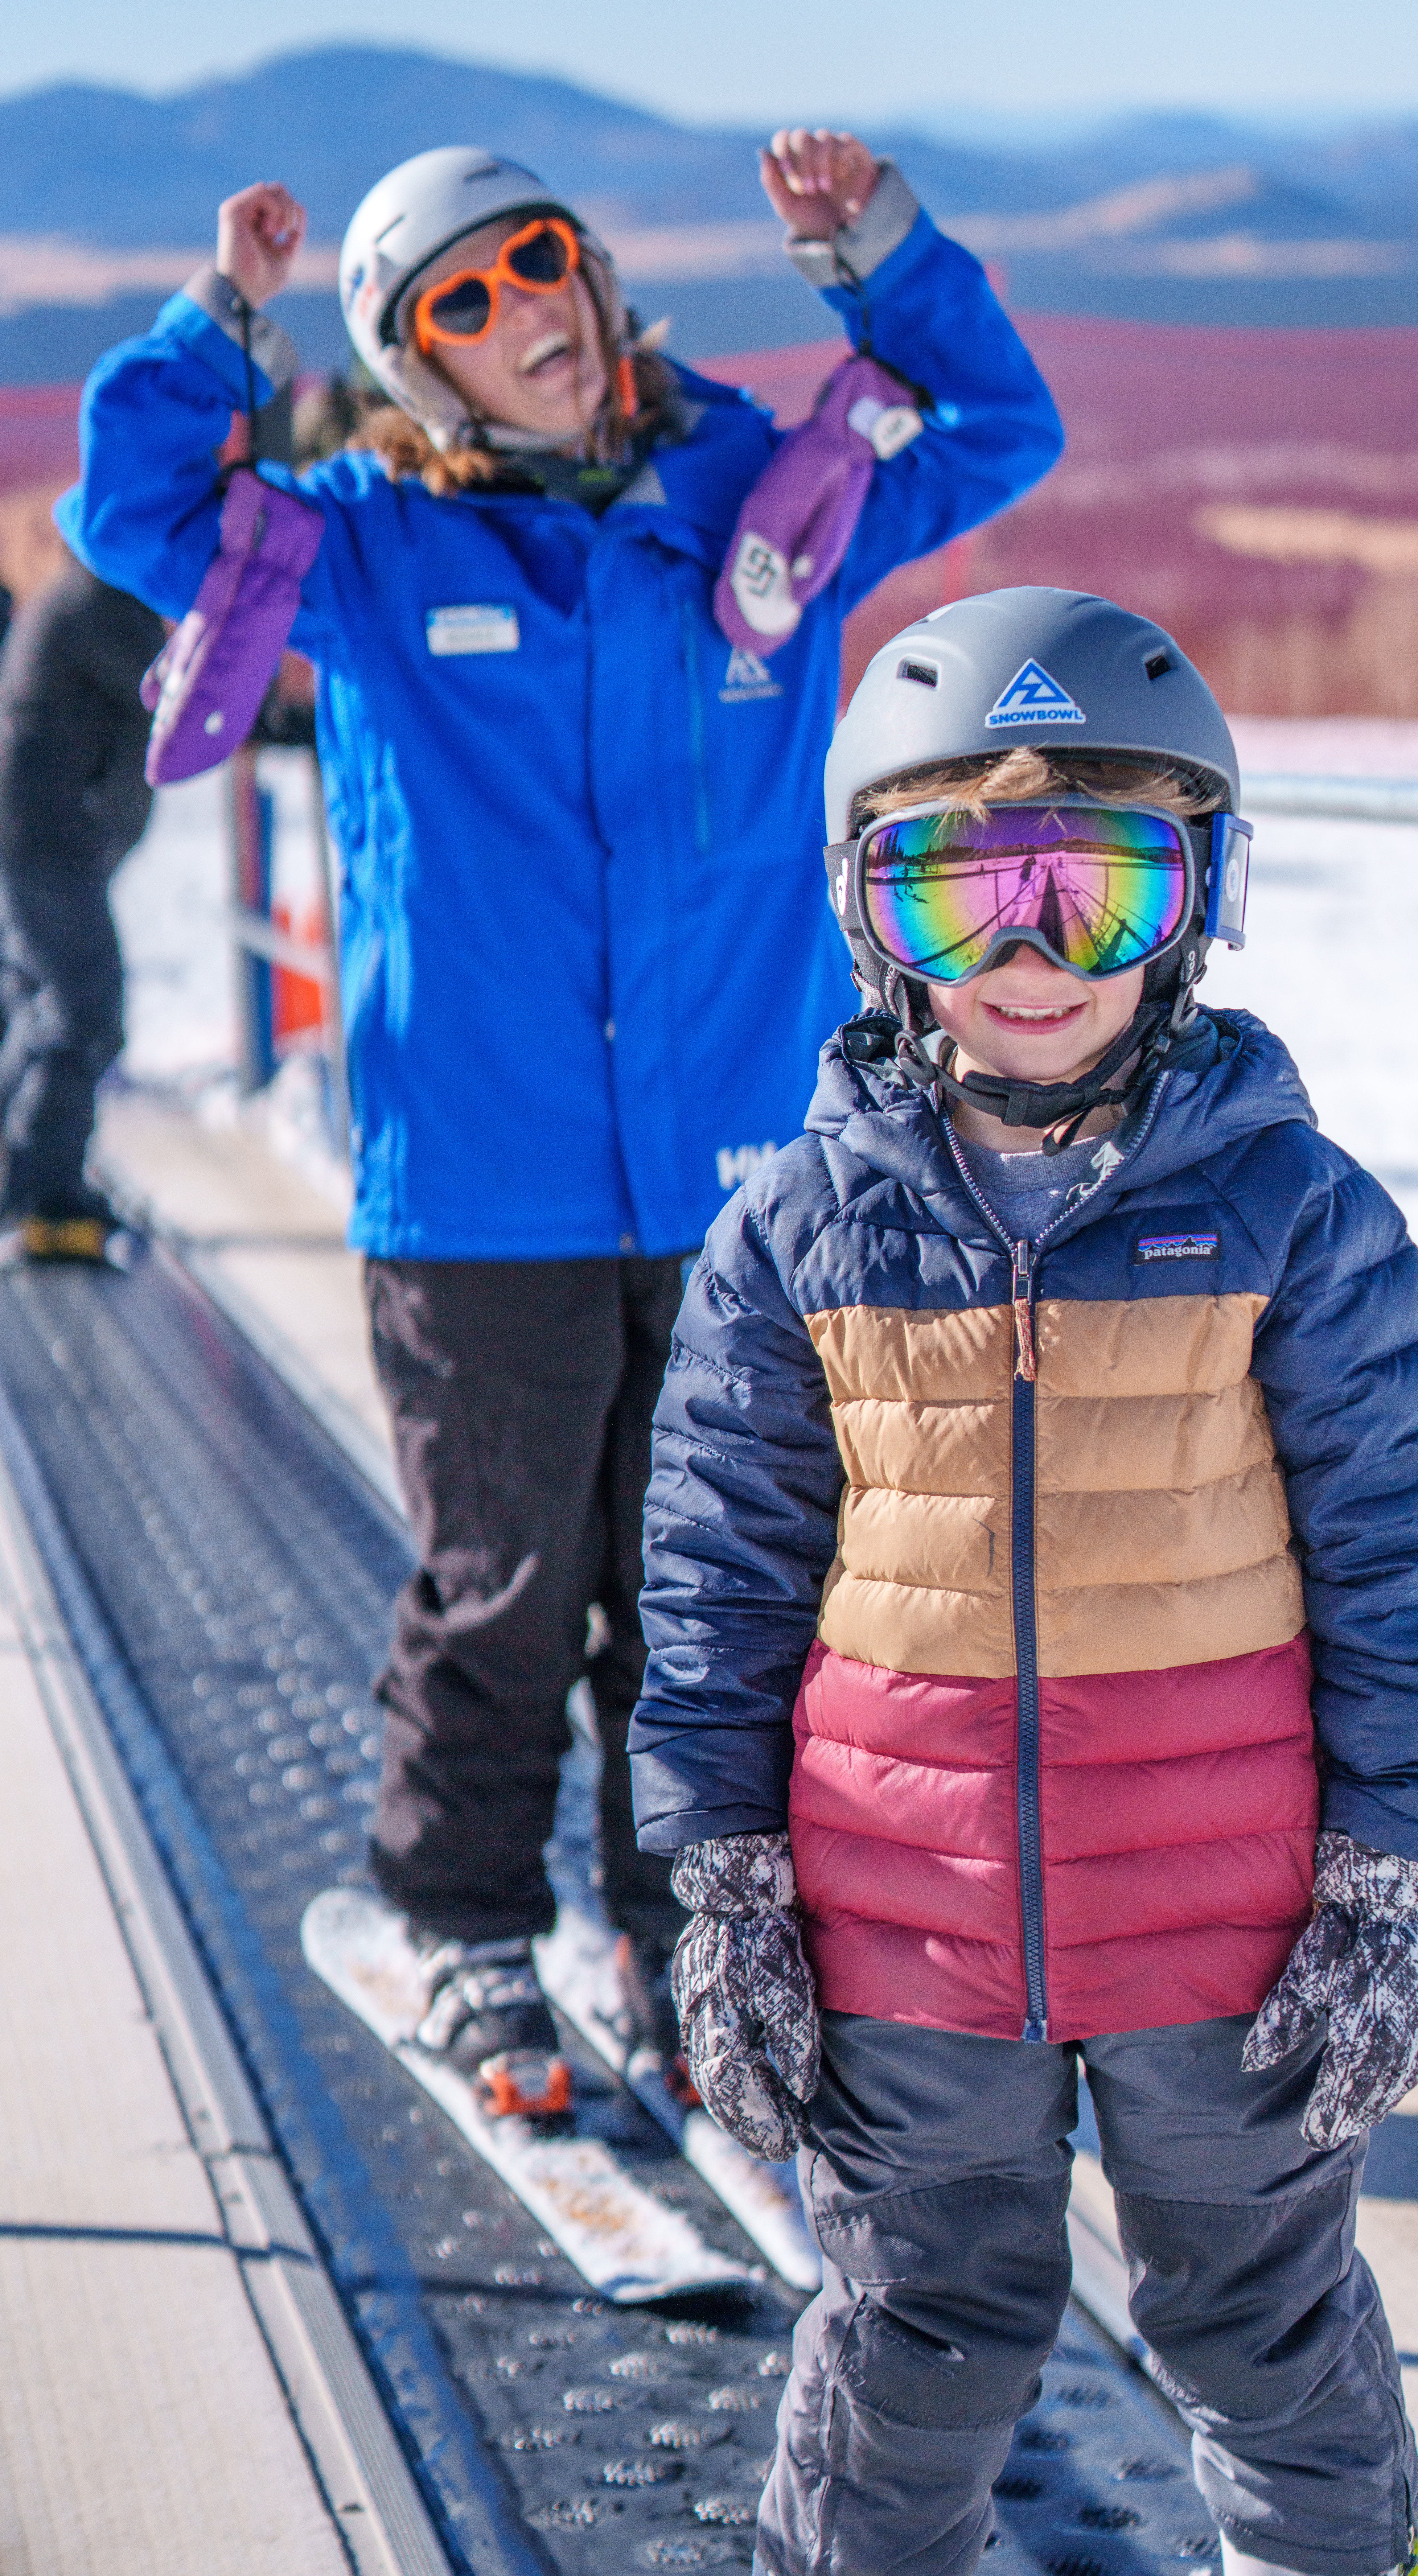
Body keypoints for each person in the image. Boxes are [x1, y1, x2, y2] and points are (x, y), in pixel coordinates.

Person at [59, 130, 1061, 2108]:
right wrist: (217, 322)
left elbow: (1000, 422)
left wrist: (870, 255)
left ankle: (681, 1944)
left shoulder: (764, 499)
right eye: (460, 300)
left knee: (708, 1599)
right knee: (509, 1593)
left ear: (592, 270)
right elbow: (131, 510)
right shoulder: (360, 543)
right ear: (415, 362)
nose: (520, 310)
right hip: (480, 1185)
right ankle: (455, 1929)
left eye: (533, 261)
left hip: (736, 1178)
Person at [630, 586, 1418, 2576]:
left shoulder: (1290, 1212)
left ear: (1194, 906)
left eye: (1094, 893)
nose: (1029, 958)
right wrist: (732, 1874)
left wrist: (1390, 1874)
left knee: (1269, 2336)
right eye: (962, 896)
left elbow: (1412, 1563)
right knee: (909, 2343)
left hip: (1229, 1936)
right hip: (905, 1920)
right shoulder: (796, 1234)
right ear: (875, 921)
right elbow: (717, 1579)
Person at [0, 554, 165, 1261]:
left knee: (39, 995)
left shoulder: (85, 593)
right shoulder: (101, 599)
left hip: (43, 830)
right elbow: (175, 694)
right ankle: (37, 1193)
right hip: (44, 834)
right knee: (82, 1004)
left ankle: (36, 1178)